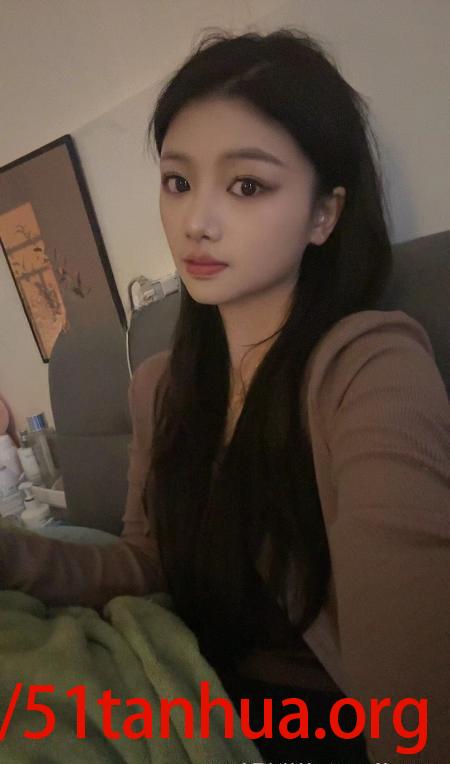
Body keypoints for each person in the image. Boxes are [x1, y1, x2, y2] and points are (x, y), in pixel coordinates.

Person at [1, 28, 449, 764]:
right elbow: (145, 563)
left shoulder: (369, 365)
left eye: (247, 185)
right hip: (186, 686)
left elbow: (416, 687)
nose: (195, 222)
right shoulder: (159, 387)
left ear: (323, 215)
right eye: (178, 182)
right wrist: (15, 557)